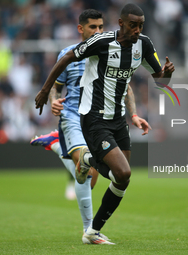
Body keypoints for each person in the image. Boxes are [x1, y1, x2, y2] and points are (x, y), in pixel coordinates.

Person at [35, 3, 175, 245]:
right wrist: (46, 90)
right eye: (133, 25)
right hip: (94, 118)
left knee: (121, 179)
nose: (137, 30)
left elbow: (160, 81)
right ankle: (84, 169)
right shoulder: (102, 42)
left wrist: (168, 74)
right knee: (123, 172)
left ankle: (92, 230)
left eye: (141, 25)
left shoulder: (144, 44)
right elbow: (68, 56)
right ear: (121, 23)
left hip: (118, 120)